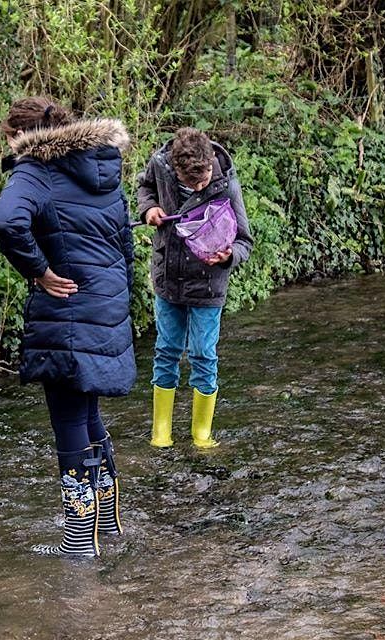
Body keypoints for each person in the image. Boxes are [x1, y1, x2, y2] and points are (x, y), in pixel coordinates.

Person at [0, 97, 136, 557]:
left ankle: (78, 543)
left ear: (21, 135)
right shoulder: (100, 165)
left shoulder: (35, 170)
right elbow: (125, 241)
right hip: (107, 305)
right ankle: (107, 524)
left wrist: (38, 271)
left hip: (67, 308)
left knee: (69, 421)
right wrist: (116, 297)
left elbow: (6, 221)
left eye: (8, 138)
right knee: (88, 414)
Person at [136, 127, 253, 449]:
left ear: (211, 162)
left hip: (208, 285)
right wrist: (149, 209)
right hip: (168, 278)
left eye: (204, 181)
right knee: (166, 351)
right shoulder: (160, 166)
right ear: (176, 169)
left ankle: (202, 433)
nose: (200, 187)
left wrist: (229, 256)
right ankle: (161, 431)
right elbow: (145, 187)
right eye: (192, 183)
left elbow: (245, 241)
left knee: (203, 354)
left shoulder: (226, 182)